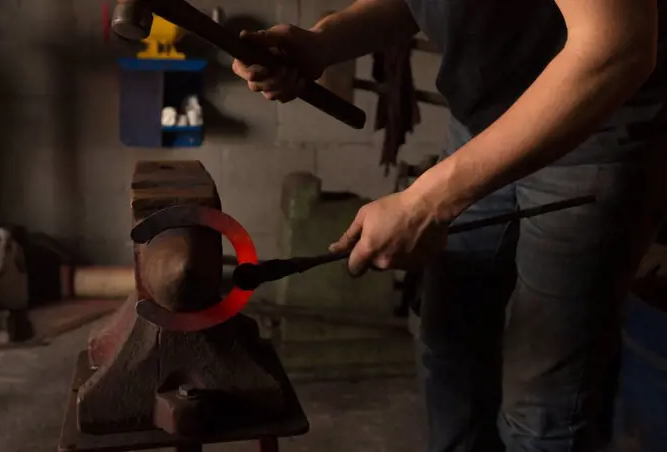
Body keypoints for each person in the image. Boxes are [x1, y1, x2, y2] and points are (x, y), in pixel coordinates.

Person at [232, 1, 667, 451]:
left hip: (591, 135)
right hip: (478, 124)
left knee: (544, 406)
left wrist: (427, 201)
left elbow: (616, 48)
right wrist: (327, 41)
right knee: (448, 350)